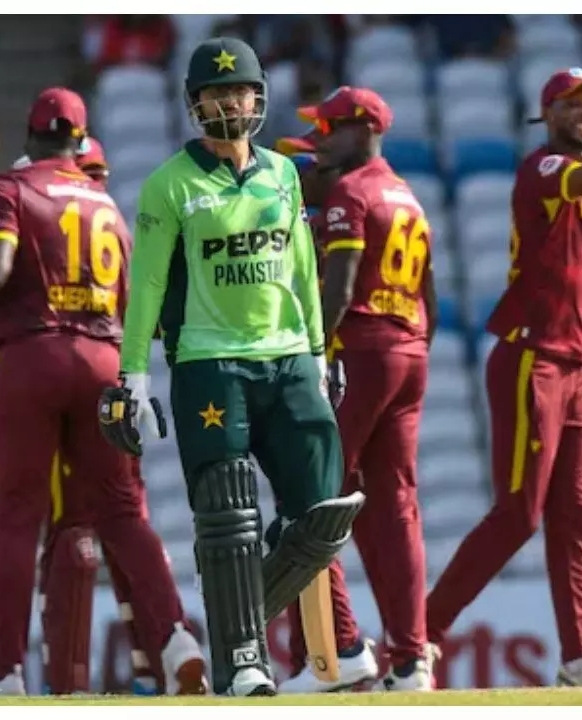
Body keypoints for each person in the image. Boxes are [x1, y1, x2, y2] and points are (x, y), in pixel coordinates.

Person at [0, 87, 206, 697]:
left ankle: (5, 670)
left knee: (17, 516)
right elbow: (138, 303)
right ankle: (176, 635)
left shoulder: (10, 189)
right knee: (122, 513)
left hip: (32, 357)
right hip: (103, 358)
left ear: (29, 133)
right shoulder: (106, 203)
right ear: (80, 139)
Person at [98, 37, 364, 697]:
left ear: (257, 98)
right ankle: (242, 660)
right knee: (227, 514)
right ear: (196, 104)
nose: (229, 104)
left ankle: (235, 622)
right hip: (210, 363)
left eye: (239, 91)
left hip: (289, 356)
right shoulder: (170, 184)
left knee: (323, 511)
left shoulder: (283, 174)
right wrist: (134, 376)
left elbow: (303, 267)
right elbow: (146, 285)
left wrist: (319, 351)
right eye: (216, 94)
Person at [425, 59, 582, 687]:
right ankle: (418, 636)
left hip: (572, 365)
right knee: (518, 514)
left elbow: (562, 262)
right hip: (531, 359)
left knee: (573, 517)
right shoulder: (546, 168)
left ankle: (581, 655)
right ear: (547, 114)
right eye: (571, 102)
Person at [283, 86, 444, 693]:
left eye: (328, 129)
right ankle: (411, 660)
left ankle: (338, 650)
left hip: (361, 347)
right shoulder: (407, 196)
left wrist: (314, 355)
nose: (320, 141)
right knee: (396, 507)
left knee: (313, 496)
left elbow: (341, 288)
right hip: (409, 350)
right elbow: (430, 296)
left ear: (363, 130)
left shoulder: (351, 192)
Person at [273, 129, 376, 692]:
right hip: (312, 378)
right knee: (301, 515)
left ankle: (338, 648)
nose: (303, 175)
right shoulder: (308, 227)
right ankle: (312, 655)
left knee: (307, 514)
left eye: (306, 166)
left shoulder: (304, 231)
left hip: (304, 382)